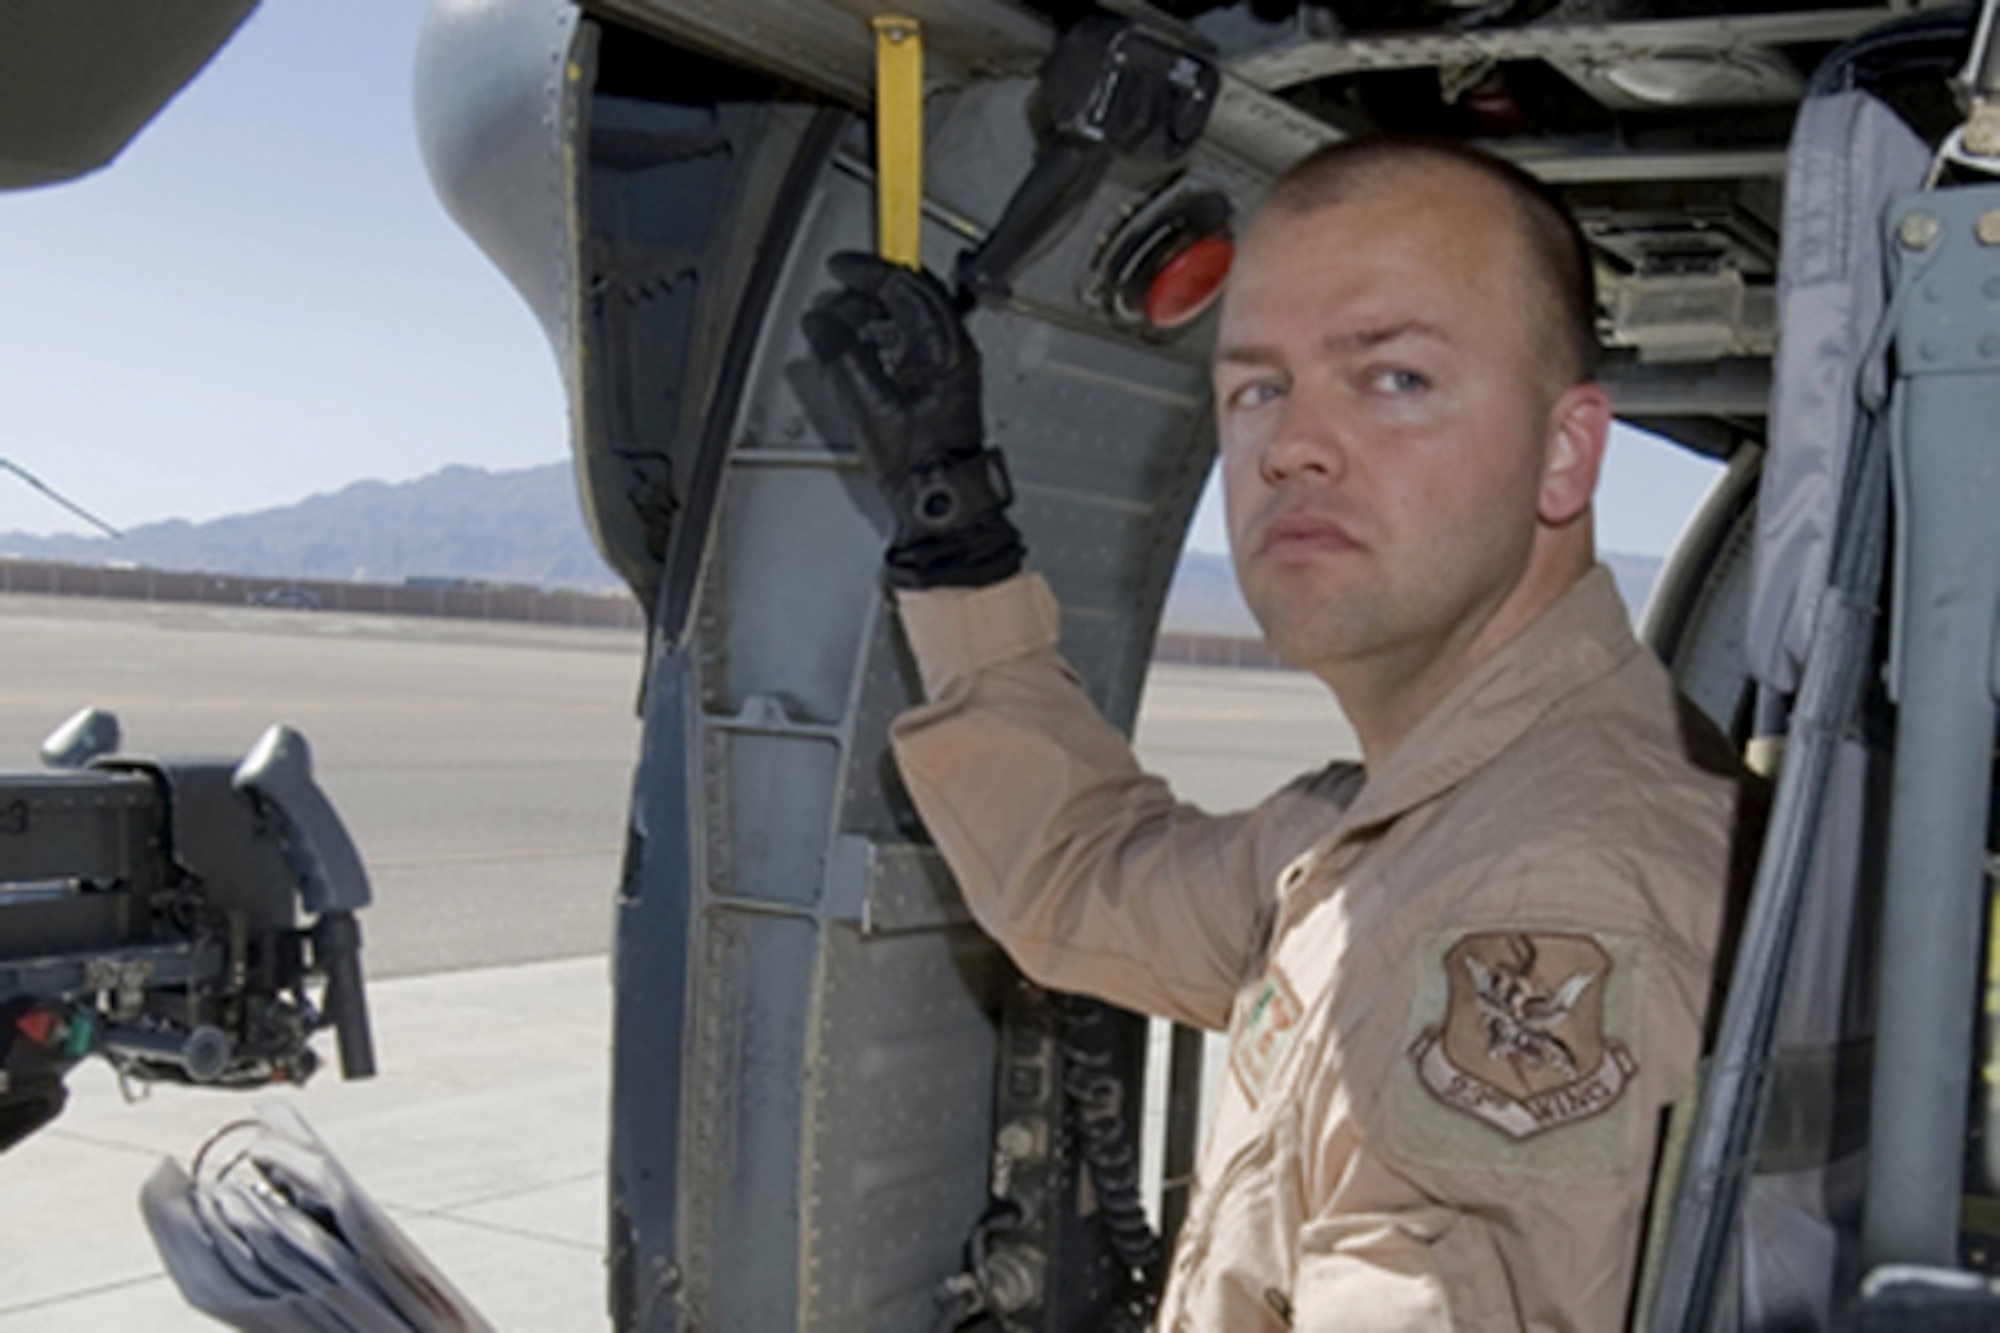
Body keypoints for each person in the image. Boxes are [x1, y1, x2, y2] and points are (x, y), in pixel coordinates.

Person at [805, 135, 1747, 1331]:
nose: (1290, 444)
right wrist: (954, 527)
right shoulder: (1414, 825)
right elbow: (1089, 874)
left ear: (1564, 453)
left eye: (1393, 377)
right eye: (1256, 387)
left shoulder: (1539, 906)